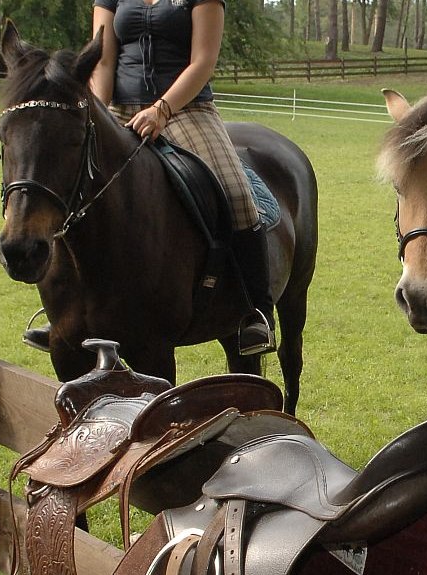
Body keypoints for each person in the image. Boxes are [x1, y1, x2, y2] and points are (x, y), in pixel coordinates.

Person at [21, 0, 275, 355]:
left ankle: (256, 312)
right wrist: (97, 115)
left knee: (236, 195)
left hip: (186, 110)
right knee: (73, 190)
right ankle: (66, 310)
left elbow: (203, 61)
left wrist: (162, 109)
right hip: (118, 109)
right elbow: (104, 59)